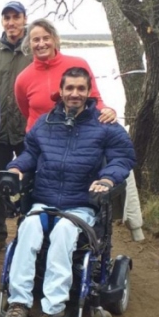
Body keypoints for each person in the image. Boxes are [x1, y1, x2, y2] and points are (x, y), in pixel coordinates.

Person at [0, 67, 135, 317]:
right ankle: (19, 303)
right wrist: (15, 169)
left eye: (80, 89)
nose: (74, 93)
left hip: (81, 205)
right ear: (60, 92)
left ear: (88, 91)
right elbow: (31, 154)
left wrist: (108, 177)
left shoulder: (104, 124)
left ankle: (53, 310)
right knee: (28, 230)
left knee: (62, 233)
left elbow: (123, 156)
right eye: (69, 88)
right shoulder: (46, 122)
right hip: (44, 199)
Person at [15, 18, 144, 241]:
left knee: (75, 195)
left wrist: (107, 113)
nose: (41, 43)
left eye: (46, 38)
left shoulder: (77, 63)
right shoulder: (23, 78)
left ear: (55, 40)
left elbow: (95, 99)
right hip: (45, 141)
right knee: (36, 210)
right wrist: (47, 130)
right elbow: (26, 111)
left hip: (83, 137)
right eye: (36, 39)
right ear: (29, 43)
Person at [0, 1, 32, 256]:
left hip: (27, 130)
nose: (11, 22)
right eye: (7, 18)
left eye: (16, 17)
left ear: (24, 19)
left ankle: (25, 234)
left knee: (30, 181)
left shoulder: (35, 49)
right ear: (2, 22)